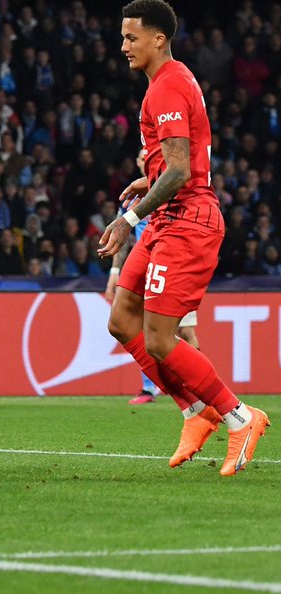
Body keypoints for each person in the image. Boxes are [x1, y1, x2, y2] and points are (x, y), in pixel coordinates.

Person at [99, 0, 268, 476]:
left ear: (158, 38)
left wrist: (128, 219)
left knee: (159, 337)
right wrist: (148, 181)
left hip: (187, 221)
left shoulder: (167, 88)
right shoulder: (169, 81)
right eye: (123, 36)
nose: (124, 45)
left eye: (132, 37)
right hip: (169, 216)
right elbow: (171, 166)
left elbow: (180, 170)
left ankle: (239, 416)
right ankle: (197, 413)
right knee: (122, 319)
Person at [104, 147, 200, 405]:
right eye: (141, 157)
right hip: (146, 268)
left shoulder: (174, 186)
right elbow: (120, 235)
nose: (146, 159)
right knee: (142, 328)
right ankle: (149, 388)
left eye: (149, 156)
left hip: (176, 265)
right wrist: (115, 271)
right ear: (137, 162)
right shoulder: (133, 195)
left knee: (186, 331)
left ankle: (198, 385)